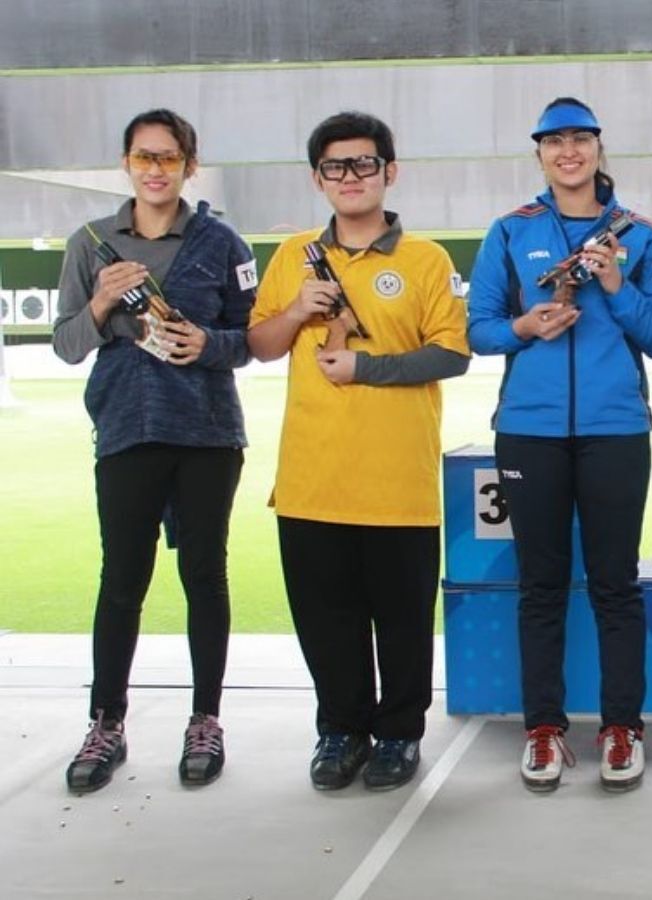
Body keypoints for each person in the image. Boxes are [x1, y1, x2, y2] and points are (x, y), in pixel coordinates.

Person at [248, 112, 470, 792]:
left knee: (402, 625)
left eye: (364, 164)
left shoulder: (426, 259)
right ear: (319, 179)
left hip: (396, 482)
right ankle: (340, 730)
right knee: (326, 621)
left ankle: (399, 735)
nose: (350, 177)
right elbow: (260, 345)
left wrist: (366, 368)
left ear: (389, 172)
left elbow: (452, 354)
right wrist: (295, 311)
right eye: (336, 167)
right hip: (312, 478)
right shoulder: (292, 257)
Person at [467, 98, 652, 793]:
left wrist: (615, 284)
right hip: (529, 428)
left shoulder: (639, 236)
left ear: (597, 148)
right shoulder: (510, 230)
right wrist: (526, 326)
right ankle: (544, 729)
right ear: (539, 155)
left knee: (617, 584)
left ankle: (622, 729)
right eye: (554, 142)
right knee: (541, 587)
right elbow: (480, 331)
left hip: (616, 429)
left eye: (580, 140)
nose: (568, 153)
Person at [52, 108, 256, 793]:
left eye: (169, 157)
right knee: (123, 580)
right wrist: (103, 305)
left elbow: (249, 341)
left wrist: (209, 344)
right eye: (144, 157)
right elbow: (67, 344)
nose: (156, 168)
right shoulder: (92, 245)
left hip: (206, 434)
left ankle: (206, 718)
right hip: (126, 431)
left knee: (205, 574)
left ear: (189, 166)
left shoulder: (222, 242)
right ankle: (105, 722)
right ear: (127, 163)